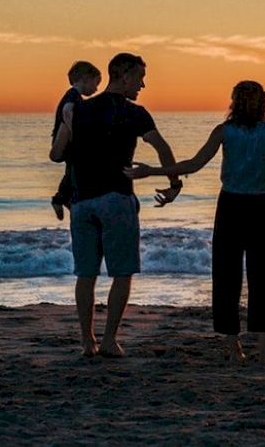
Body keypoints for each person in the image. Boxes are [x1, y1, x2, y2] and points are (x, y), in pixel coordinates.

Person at [126, 81, 265, 364]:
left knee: (233, 276)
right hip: (251, 205)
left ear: (233, 102)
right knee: (255, 277)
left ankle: (238, 347)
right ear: (264, 103)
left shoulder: (234, 131)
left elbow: (194, 164)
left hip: (239, 205)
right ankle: (258, 348)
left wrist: (153, 171)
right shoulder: (264, 132)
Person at [49, 53, 182, 358]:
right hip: (116, 199)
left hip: (81, 203)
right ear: (123, 75)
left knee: (86, 275)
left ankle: (87, 342)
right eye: (139, 77)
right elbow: (161, 147)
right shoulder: (133, 113)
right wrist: (174, 184)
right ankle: (109, 340)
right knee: (121, 273)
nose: (143, 84)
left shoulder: (77, 109)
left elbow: (57, 155)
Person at [49, 60, 102, 220]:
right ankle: (60, 199)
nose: (96, 88)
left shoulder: (75, 96)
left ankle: (64, 199)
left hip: (67, 141)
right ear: (85, 79)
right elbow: (67, 111)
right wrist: (76, 131)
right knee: (74, 171)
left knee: (72, 171)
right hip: (67, 142)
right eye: (95, 83)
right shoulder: (73, 95)